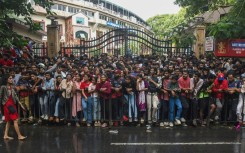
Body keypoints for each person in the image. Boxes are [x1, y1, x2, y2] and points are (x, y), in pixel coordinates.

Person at [0, 74, 27, 140]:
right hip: (7, 104)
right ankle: (19, 136)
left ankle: (5, 135)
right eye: (10, 78)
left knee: (9, 121)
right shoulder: (3, 87)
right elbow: (0, 96)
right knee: (15, 120)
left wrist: (20, 104)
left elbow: (15, 96)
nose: (12, 79)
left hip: (12, 104)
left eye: (12, 78)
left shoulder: (12, 86)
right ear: (6, 80)